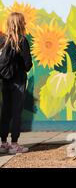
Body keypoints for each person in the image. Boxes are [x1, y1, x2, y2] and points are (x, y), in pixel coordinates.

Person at [0, 12, 33, 154]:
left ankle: (3, 143)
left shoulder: (3, 40)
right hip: (18, 81)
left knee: (5, 111)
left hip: (4, 80)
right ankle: (14, 144)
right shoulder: (22, 40)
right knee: (16, 112)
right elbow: (27, 64)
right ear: (21, 24)